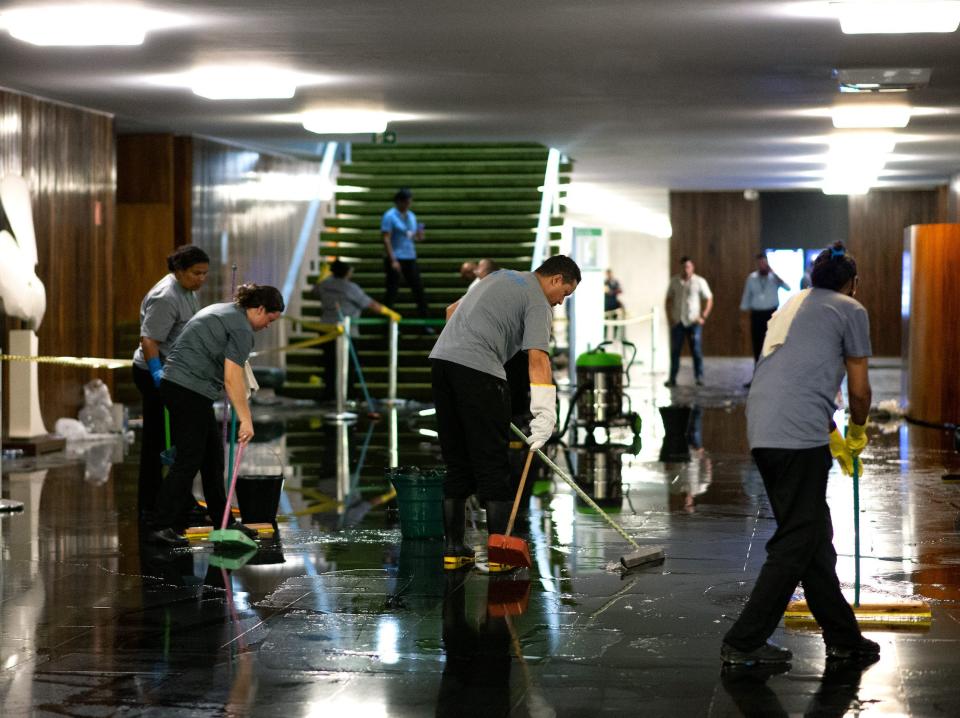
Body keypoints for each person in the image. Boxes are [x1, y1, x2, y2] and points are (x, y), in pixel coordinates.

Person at [721, 241, 879, 665]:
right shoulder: (850, 309)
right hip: (796, 436)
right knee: (796, 539)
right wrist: (857, 432)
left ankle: (843, 636)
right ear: (853, 283)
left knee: (813, 537)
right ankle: (744, 640)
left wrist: (831, 434)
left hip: (763, 427)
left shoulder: (792, 304)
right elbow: (860, 391)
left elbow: (792, 377)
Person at [430, 255, 580, 571]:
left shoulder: (499, 277)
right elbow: (538, 358)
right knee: (492, 463)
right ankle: (500, 554)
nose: (558, 303)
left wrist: (460, 356)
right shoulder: (538, 301)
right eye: (563, 294)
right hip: (481, 372)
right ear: (555, 280)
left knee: (457, 461)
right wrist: (545, 415)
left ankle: (454, 549)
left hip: (442, 363)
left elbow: (451, 312)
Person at [148, 284, 285, 546]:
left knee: (212, 458)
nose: (268, 325)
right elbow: (232, 378)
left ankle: (224, 520)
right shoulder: (242, 329)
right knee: (189, 460)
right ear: (259, 309)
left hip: (182, 387)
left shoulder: (225, 311)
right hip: (187, 389)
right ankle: (160, 524)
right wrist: (246, 419)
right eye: (269, 319)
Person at [131, 245, 209, 519]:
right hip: (156, 372)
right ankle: (151, 505)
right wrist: (156, 374)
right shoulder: (165, 297)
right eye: (196, 273)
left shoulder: (187, 291)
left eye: (204, 274)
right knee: (157, 441)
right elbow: (149, 340)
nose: (201, 279)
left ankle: (179, 498)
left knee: (178, 439)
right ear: (179, 271)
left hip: (176, 373)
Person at [311, 259, 401, 401]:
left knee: (329, 364)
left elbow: (314, 291)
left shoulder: (324, 284)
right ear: (347, 272)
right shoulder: (350, 287)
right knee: (348, 365)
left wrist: (323, 277)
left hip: (327, 329)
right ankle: (348, 393)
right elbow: (370, 303)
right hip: (347, 332)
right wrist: (388, 312)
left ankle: (329, 393)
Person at [664, 256, 713, 387]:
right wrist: (670, 318)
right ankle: (672, 378)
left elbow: (709, 298)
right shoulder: (674, 281)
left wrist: (703, 316)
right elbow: (668, 300)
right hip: (678, 321)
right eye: (684, 267)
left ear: (693, 267)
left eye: (688, 267)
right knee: (675, 351)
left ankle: (699, 377)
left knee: (696, 350)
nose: (686, 269)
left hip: (693, 322)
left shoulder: (699, 281)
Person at [381, 188, 429, 321]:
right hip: (395, 257)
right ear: (399, 202)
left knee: (418, 289)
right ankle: (388, 323)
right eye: (406, 202)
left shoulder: (411, 216)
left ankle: (425, 321)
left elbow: (414, 237)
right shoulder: (389, 216)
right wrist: (393, 260)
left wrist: (420, 235)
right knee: (392, 290)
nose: (408, 205)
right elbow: (386, 238)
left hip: (410, 256)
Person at [740, 252, 790, 366]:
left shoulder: (774, 277)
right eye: (760, 263)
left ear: (767, 263)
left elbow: (787, 288)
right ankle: (757, 375)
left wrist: (774, 274)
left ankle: (771, 375)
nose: (762, 265)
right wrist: (743, 318)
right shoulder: (751, 278)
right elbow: (746, 297)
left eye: (764, 263)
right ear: (757, 264)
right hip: (756, 315)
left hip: (771, 314)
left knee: (771, 344)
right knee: (757, 344)